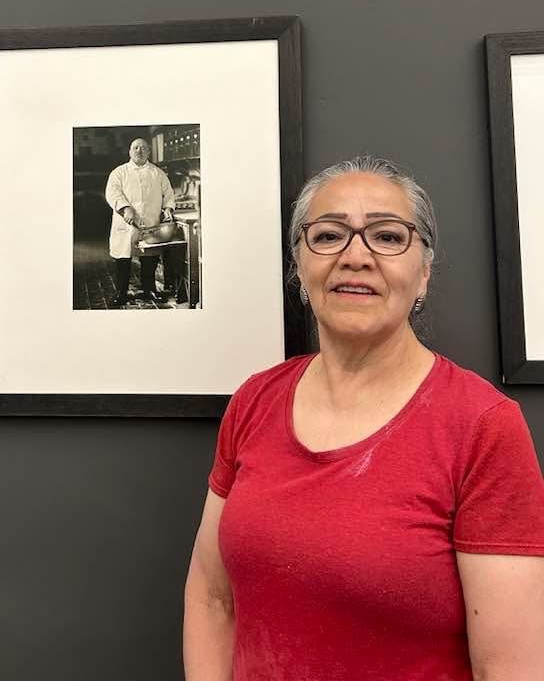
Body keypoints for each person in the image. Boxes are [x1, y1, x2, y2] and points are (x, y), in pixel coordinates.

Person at [184, 156, 544, 680]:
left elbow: (512, 668)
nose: (355, 256)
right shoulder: (255, 402)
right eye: (328, 236)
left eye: (388, 237)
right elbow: (212, 594)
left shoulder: (481, 426)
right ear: (299, 267)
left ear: (422, 273)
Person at [104, 137, 175, 307]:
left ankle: (149, 289)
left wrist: (168, 209)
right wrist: (125, 208)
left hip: (151, 222)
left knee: (149, 258)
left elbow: (169, 194)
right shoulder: (119, 172)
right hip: (126, 223)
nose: (139, 151)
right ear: (129, 151)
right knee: (123, 258)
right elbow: (112, 193)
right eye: (135, 147)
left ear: (149, 152)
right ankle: (121, 292)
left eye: (143, 148)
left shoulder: (158, 173)